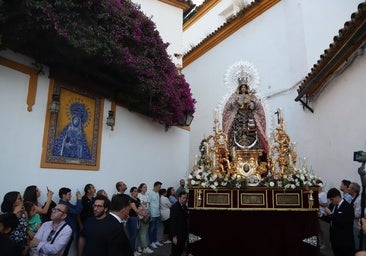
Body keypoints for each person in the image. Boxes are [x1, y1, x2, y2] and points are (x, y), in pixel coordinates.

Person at [222, 79, 268, 153]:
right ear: (240, 88)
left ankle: (253, 148)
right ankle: (234, 148)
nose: (243, 88)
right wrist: (235, 102)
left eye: (244, 87)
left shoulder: (251, 96)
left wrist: (250, 104)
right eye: (242, 87)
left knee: (252, 131)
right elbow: (229, 106)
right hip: (238, 117)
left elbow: (256, 106)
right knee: (236, 132)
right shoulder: (235, 96)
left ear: (246, 88)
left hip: (249, 117)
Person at [324, 188, 354, 256]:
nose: (331, 201)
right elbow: (329, 219)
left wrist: (331, 214)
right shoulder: (332, 205)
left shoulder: (348, 207)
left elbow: (344, 223)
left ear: (337, 197)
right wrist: (320, 215)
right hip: (334, 239)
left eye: (332, 199)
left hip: (344, 240)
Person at [58, 187, 83, 256]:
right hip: (66, 232)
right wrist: (79, 199)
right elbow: (77, 211)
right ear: (63, 195)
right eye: (69, 194)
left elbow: (75, 208)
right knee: (64, 252)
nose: (71, 196)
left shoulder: (67, 203)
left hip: (70, 231)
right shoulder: (63, 206)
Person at [127, 187, 148, 256]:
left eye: (137, 191)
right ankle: (131, 252)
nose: (136, 193)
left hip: (137, 218)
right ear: (131, 192)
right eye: (135, 191)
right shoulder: (130, 200)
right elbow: (135, 210)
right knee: (132, 236)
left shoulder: (138, 199)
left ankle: (134, 250)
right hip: (132, 219)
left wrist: (145, 212)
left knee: (135, 235)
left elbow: (141, 207)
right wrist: (143, 214)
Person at [170, 190, 189, 256]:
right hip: (177, 234)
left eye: (186, 198)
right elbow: (173, 222)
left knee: (181, 249)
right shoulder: (174, 207)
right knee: (175, 251)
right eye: (183, 198)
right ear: (179, 198)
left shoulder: (184, 206)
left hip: (183, 232)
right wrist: (174, 236)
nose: (185, 199)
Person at [137, 183, 153, 254]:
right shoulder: (139, 195)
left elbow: (148, 206)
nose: (146, 188)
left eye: (146, 187)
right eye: (144, 187)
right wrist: (144, 214)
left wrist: (149, 214)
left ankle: (140, 246)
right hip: (141, 216)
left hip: (147, 215)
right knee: (142, 232)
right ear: (140, 188)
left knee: (143, 232)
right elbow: (139, 206)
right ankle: (145, 247)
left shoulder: (146, 195)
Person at [148, 181, 163, 249]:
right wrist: (150, 214)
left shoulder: (157, 193)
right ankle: (151, 242)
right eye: (159, 187)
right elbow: (148, 204)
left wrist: (159, 212)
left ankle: (155, 240)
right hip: (152, 214)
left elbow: (158, 203)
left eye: (160, 187)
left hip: (157, 213)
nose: (159, 188)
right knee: (151, 229)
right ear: (155, 186)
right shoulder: (149, 193)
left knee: (156, 228)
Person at [349, 182, 361, 251]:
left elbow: (358, 214)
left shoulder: (359, 199)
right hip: (352, 224)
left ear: (353, 190)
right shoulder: (352, 198)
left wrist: (347, 214)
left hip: (356, 226)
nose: (348, 189)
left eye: (349, 187)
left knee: (356, 246)